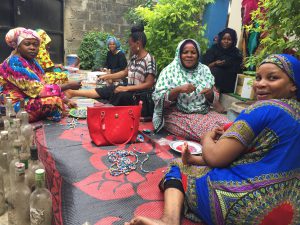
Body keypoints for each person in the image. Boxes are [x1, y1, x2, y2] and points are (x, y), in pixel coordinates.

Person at [125, 54, 300, 225]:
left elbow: (217, 157)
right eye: (258, 77)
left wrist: (206, 136)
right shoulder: (294, 111)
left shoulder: (262, 108)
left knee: (178, 165)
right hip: (290, 211)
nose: (261, 84)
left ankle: (168, 220)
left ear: (293, 84)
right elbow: (255, 156)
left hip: (248, 206)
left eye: (272, 78)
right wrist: (177, 91)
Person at [152, 39, 230, 141]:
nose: (189, 55)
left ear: (198, 55)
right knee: (213, 131)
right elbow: (157, 99)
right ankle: (225, 148)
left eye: (193, 52)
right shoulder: (169, 71)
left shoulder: (204, 70)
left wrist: (210, 94)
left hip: (204, 111)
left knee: (230, 126)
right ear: (179, 54)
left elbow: (214, 98)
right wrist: (178, 90)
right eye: (185, 52)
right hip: (176, 114)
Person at [0, 27, 81, 122]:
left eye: (36, 45)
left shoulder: (32, 61)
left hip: (28, 97)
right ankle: (16, 119)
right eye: (27, 44)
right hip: (13, 106)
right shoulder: (13, 63)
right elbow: (38, 91)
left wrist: (66, 100)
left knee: (55, 96)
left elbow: (45, 82)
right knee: (54, 102)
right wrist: (68, 85)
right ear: (17, 46)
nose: (32, 47)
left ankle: (52, 111)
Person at [65, 24, 156, 109]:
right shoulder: (134, 58)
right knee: (109, 89)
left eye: (130, 44)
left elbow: (149, 84)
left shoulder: (149, 59)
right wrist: (107, 76)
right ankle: (73, 92)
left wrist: (126, 88)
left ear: (138, 43)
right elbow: (125, 72)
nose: (130, 47)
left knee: (118, 94)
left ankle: (105, 109)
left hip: (140, 97)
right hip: (131, 91)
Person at [202, 28, 243, 94]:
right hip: (212, 81)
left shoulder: (236, 53)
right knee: (215, 71)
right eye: (223, 39)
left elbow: (237, 71)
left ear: (233, 41)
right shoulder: (214, 49)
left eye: (229, 39)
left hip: (228, 84)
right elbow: (204, 67)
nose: (226, 41)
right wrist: (215, 63)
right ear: (220, 39)